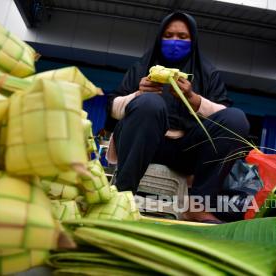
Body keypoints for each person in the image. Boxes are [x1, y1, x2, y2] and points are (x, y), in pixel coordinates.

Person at [105, 12, 250, 223]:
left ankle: (198, 206)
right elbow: (112, 110)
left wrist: (195, 100)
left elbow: (225, 115)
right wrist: (138, 95)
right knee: (150, 103)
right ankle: (124, 196)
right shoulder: (141, 68)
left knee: (237, 118)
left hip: (186, 151)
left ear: (193, 40)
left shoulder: (207, 73)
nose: (175, 41)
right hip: (141, 144)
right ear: (159, 38)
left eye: (182, 37)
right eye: (169, 35)